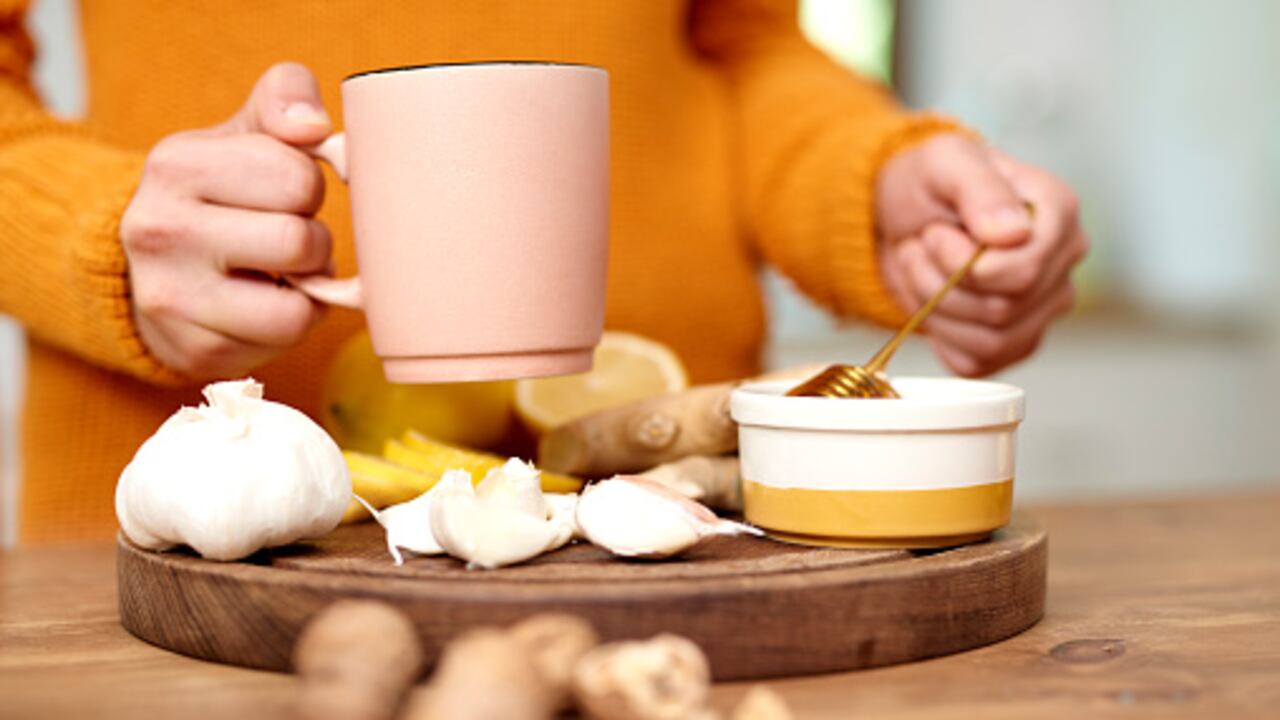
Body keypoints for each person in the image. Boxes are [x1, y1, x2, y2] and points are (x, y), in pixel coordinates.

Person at [0, 0, 1086, 543]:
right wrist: (94, 237)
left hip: (674, 527)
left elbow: (740, 38)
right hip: (200, 545)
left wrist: (867, 185)